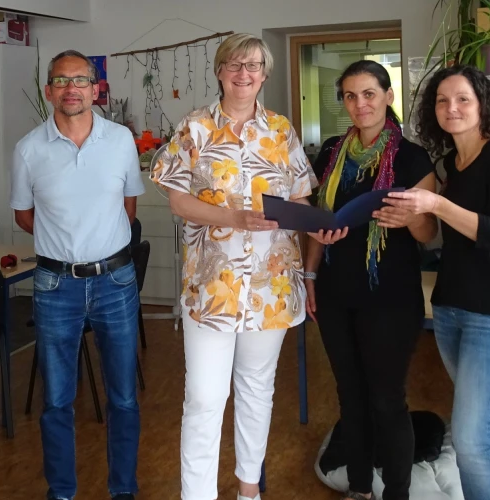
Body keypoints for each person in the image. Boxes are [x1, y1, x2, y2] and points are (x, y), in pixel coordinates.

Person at [152, 33, 318, 500]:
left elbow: (301, 194)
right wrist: (235, 218)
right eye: (234, 65)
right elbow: (178, 200)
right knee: (204, 398)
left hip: (271, 286)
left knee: (256, 389)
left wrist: (317, 225)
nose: (244, 74)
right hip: (211, 288)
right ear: (220, 71)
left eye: (253, 66)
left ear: (264, 75)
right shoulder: (195, 127)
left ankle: (249, 490)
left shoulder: (281, 130)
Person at [384, 64, 490, 500]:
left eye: (462, 99)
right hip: (453, 308)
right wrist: (415, 215)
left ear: (482, 104)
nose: (451, 108)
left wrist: (436, 202)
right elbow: (441, 235)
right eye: (441, 100)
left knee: (471, 444)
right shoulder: (451, 162)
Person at [10, 49, 145, 500]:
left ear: (95, 89)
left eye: (81, 80)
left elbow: (128, 208)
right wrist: (66, 241)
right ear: (50, 91)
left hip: (115, 282)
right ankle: (61, 491)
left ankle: (122, 490)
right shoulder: (29, 149)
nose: (72, 89)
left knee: (123, 397)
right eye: (62, 81)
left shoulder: (122, 141)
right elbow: (25, 216)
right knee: (56, 401)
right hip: (54, 285)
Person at [303, 60, 438, 500]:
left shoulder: (413, 157)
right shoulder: (329, 153)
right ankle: (360, 488)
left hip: (390, 298)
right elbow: (320, 219)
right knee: (351, 396)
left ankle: (396, 492)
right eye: (350, 96)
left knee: (385, 398)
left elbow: (429, 234)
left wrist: (409, 220)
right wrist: (308, 271)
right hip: (335, 292)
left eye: (369, 94)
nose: (359, 104)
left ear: (387, 97)